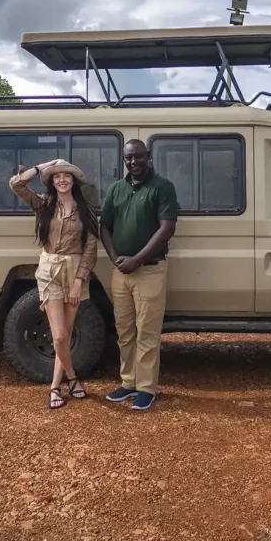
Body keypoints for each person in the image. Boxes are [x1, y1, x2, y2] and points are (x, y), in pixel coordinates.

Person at [9, 159, 99, 409]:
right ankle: (71, 378)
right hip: (49, 269)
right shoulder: (44, 204)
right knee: (58, 336)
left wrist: (79, 281)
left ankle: (55, 387)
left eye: (66, 176)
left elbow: (91, 248)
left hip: (74, 271)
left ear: (74, 181)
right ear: (52, 181)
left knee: (67, 334)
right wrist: (41, 167)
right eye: (57, 176)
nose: (62, 180)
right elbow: (16, 184)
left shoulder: (85, 209)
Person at [100, 139, 179, 411]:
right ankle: (128, 382)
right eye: (129, 158)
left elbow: (166, 228)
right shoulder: (116, 189)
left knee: (147, 332)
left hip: (150, 270)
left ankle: (146, 387)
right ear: (124, 160)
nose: (134, 162)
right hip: (121, 272)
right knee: (124, 332)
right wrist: (116, 259)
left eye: (138, 157)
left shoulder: (162, 187)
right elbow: (105, 228)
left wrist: (137, 259)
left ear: (149, 156)